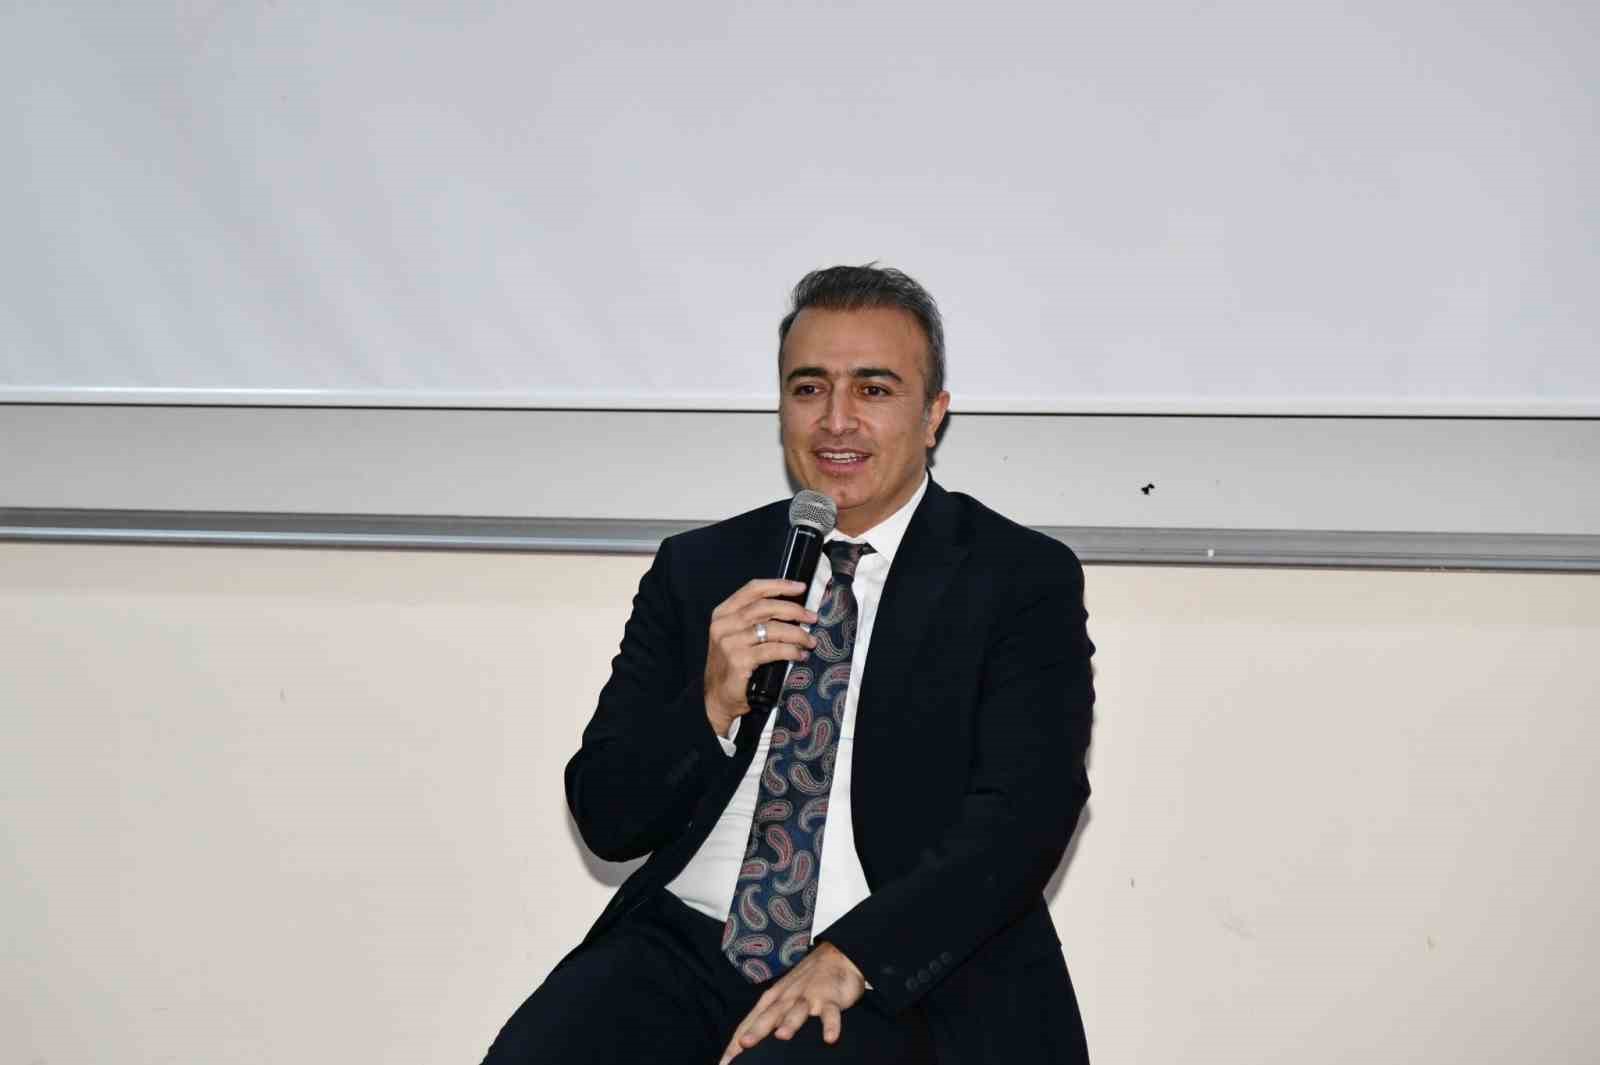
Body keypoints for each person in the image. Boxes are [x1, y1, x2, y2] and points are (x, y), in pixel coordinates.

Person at [481, 265, 1096, 1064]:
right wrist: (709, 704)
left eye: (873, 389)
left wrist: (857, 955)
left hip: (888, 962)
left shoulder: (1016, 577)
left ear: (933, 415)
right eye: (809, 389)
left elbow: (1026, 812)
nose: (836, 420)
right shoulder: (701, 566)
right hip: (686, 944)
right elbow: (606, 815)